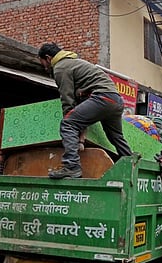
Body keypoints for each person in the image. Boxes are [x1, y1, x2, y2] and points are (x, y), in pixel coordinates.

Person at [38, 43, 132, 179]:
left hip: (102, 98)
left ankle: (71, 167)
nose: (44, 67)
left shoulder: (60, 67)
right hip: (115, 100)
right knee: (115, 136)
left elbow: (67, 99)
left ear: (48, 58)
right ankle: (131, 163)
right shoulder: (75, 62)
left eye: (43, 63)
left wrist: (72, 124)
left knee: (68, 124)